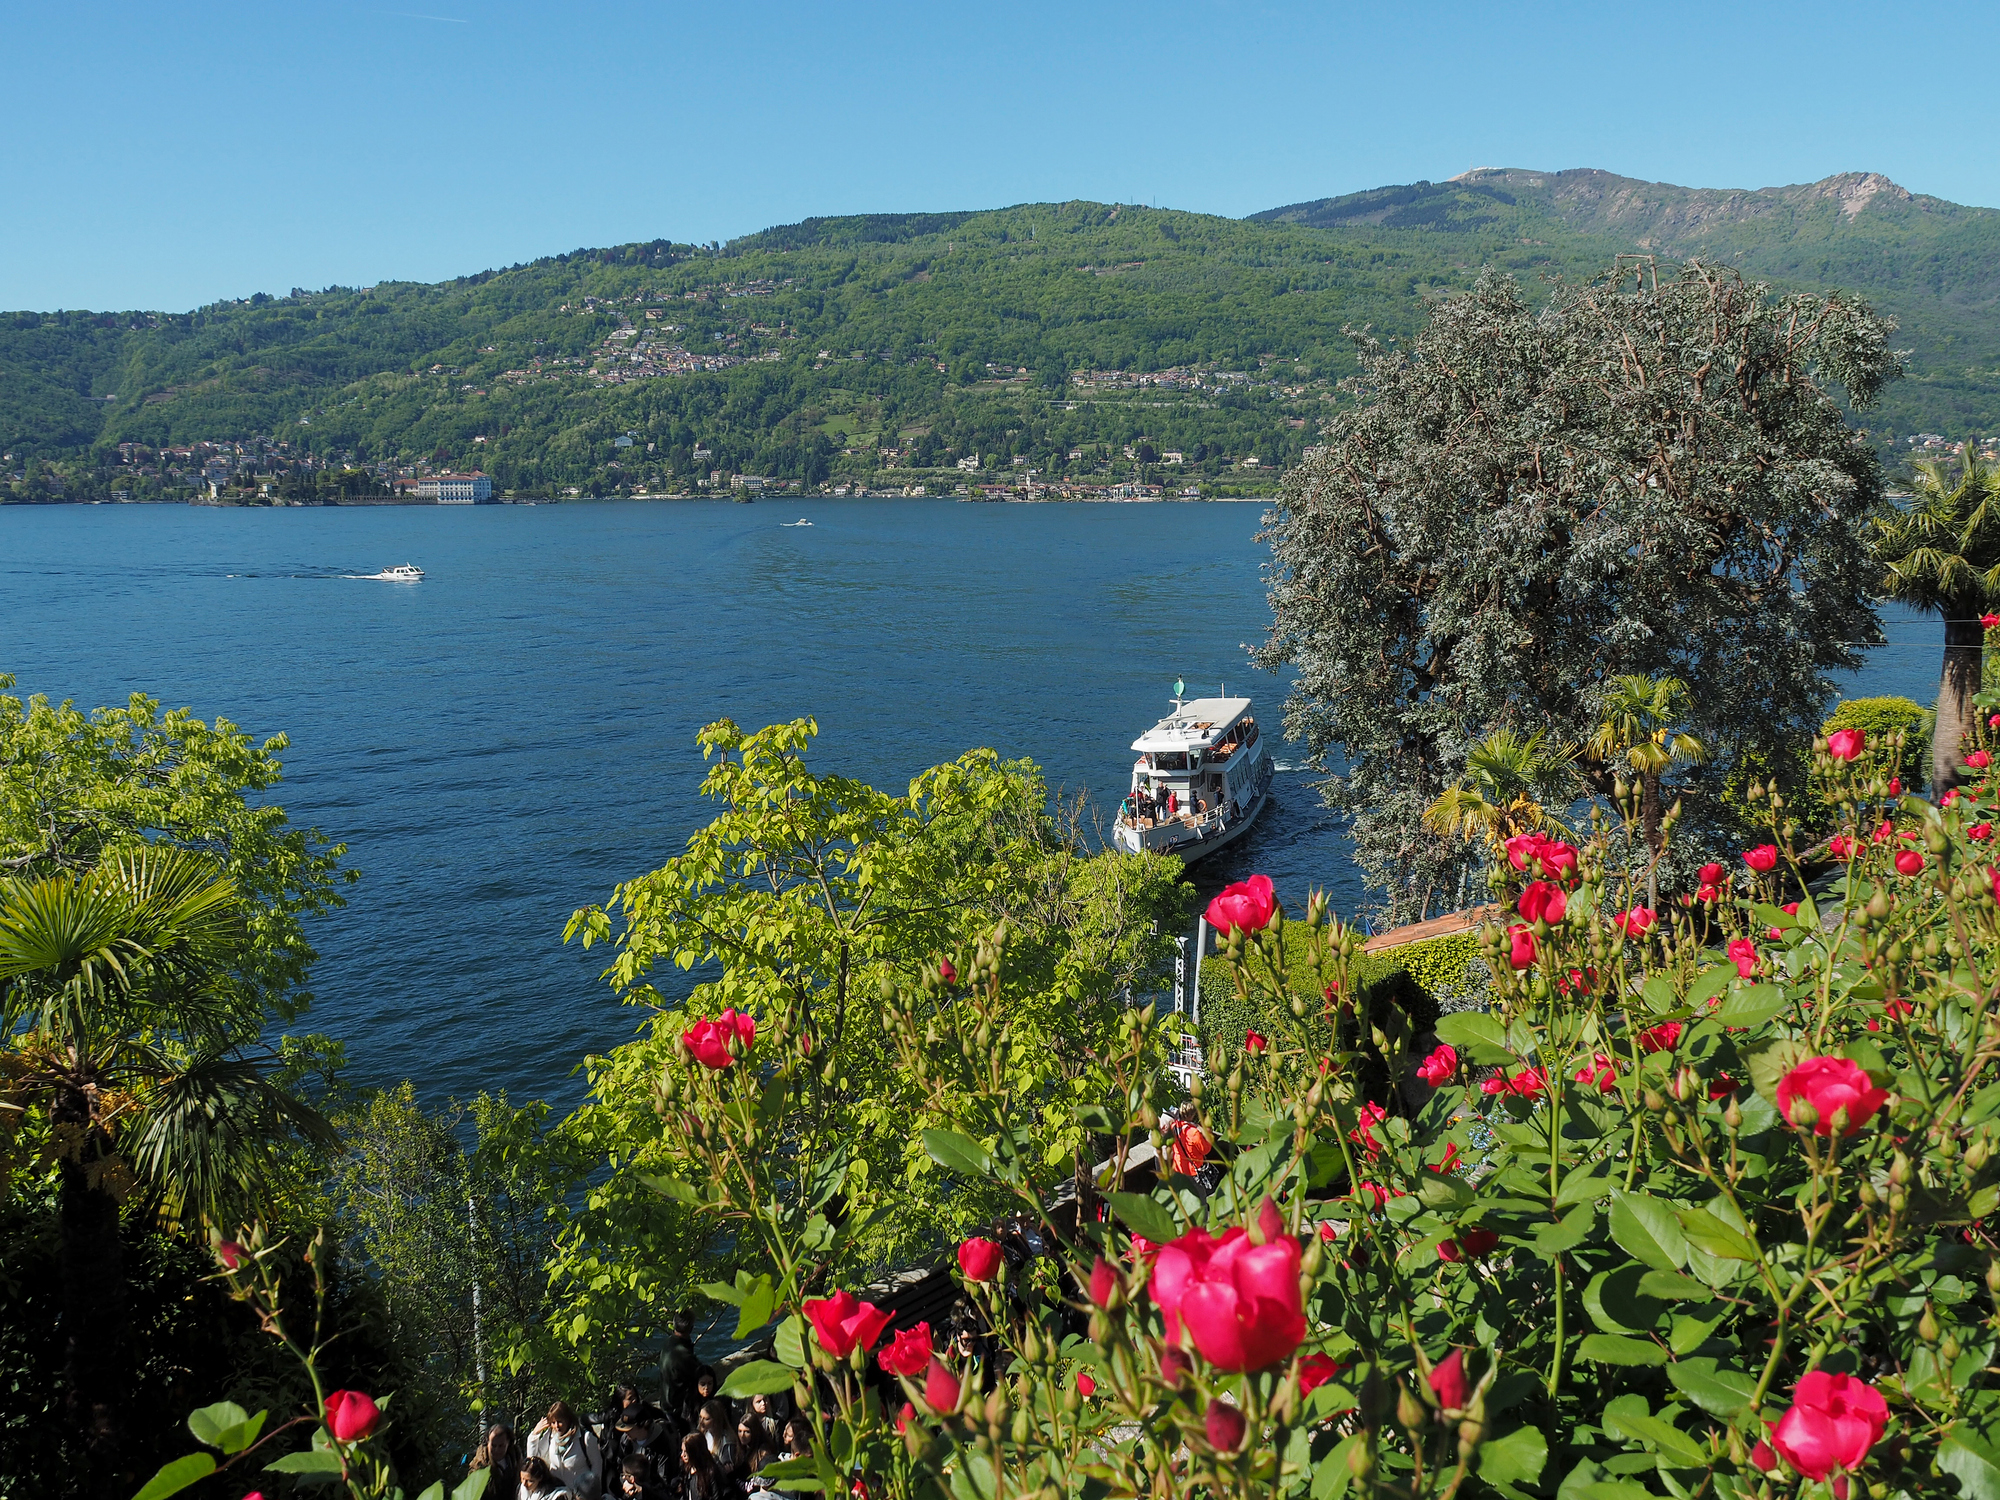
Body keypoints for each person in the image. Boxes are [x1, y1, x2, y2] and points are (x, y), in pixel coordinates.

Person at [528, 1401, 602, 1500]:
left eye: (560, 1421)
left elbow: (597, 1465)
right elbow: (532, 1461)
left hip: (580, 1496)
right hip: (558, 1495)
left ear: (568, 1419)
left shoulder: (585, 1438)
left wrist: (591, 1493)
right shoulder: (551, 1437)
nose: (556, 1426)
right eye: (553, 1422)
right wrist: (534, 1435)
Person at [472, 1424, 522, 1500]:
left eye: (501, 1446)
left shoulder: (515, 1458)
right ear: (487, 1443)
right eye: (493, 1445)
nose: (497, 1450)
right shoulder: (479, 1465)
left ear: (508, 1443)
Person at [696, 1400, 737, 1473]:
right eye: (700, 1417)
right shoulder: (703, 1433)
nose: (701, 1422)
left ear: (715, 1421)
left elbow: (726, 1470)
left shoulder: (726, 1441)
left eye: (706, 1419)